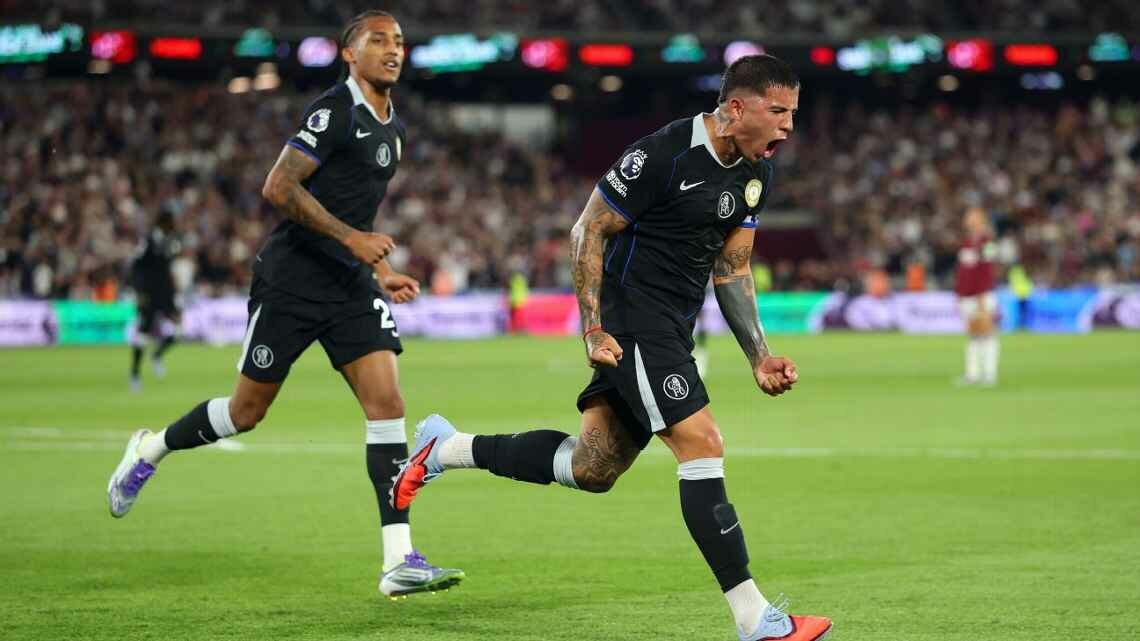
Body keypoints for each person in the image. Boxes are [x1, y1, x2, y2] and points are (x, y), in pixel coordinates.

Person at [392, 55, 831, 641]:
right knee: (702, 443)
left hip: (672, 327)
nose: (788, 126)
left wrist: (759, 354)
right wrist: (593, 327)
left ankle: (445, 447)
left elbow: (733, 268)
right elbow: (589, 229)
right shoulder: (662, 155)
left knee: (592, 467)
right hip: (632, 322)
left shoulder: (756, 175)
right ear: (735, 108)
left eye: (793, 113)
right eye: (778, 111)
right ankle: (755, 619)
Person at [106, 10, 464, 598]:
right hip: (292, 282)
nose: (393, 50)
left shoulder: (394, 128)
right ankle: (150, 448)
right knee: (245, 412)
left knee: (388, 405)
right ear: (349, 53)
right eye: (378, 40)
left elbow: (356, 214)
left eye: (399, 41)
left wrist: (381, 270)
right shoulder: (335, 111)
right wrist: (354, 243)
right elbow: (278, 186)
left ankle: (398, 559)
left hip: (349, 286)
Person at [128, 209, 181, 391]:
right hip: (149, 295)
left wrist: (173, 290)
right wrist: (139, 291)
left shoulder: (171, 241)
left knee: (178, 330)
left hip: (165, 295)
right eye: (171, 222)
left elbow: (167, 269)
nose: (174, 225)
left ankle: (157, 355)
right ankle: (135, 374)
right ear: (164, 223)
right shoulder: (148, 241)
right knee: (143, 335)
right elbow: (137, 267)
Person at [955, 206, 1000, 386]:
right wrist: (959, 293)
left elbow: (988, 269)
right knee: (973, 335)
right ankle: (972, 374)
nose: (967, 219)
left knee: (987, 333)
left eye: (971, 216)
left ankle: (989, 374)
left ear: (981, 219)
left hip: (982, 295)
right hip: (967, 295)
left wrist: (982, 295)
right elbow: (964, 271)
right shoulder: (967, 242)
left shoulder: (987, 242)